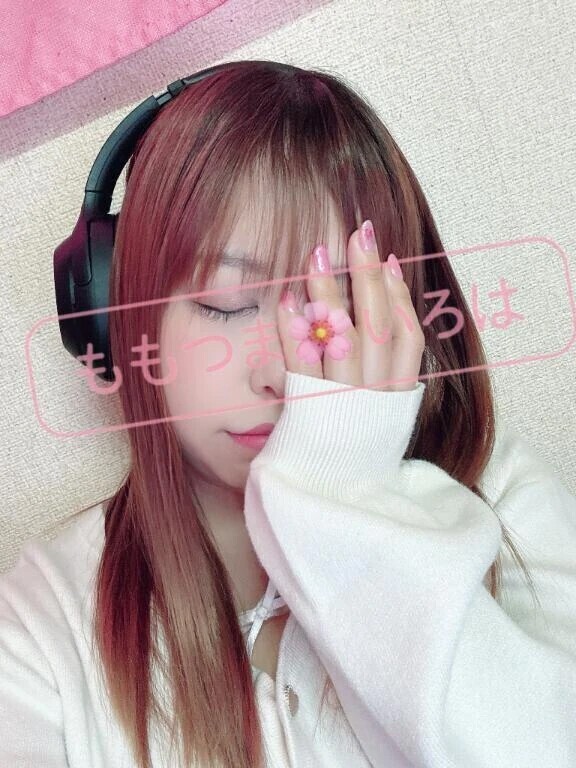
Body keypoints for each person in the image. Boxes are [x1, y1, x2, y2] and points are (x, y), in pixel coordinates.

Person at [1, 59, 575, 768]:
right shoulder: (41, 625)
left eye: (336, 305)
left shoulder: (507, 499)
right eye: (225, 304)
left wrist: (348, 491)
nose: (279, 372)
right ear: (116, 319)